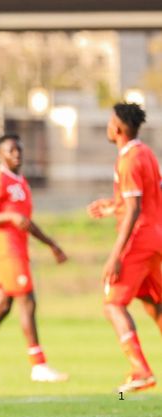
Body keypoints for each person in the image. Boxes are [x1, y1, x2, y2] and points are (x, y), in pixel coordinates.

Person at [0, 134, 68, 383]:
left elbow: (26, 222)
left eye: (19, 149)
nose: (17, 154)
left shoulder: (21, 182)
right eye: (11, 151)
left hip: (19, 248)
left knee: (2, 306)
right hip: (6, 249)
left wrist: (52, 244)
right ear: (0, 154)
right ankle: (39, 366)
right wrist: (8, 217)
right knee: (27, 302)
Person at [87, 102, 162, 393]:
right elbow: (147, 197)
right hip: (155, 238)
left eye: (109, 122)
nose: (108, 126)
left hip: (138, 242)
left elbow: (134, 209)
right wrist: (113, 206)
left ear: (117, 128)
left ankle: (140, 370)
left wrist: (115, 256)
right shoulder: (146, 153)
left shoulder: (128, 160)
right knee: (153, 303)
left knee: (113, 304)